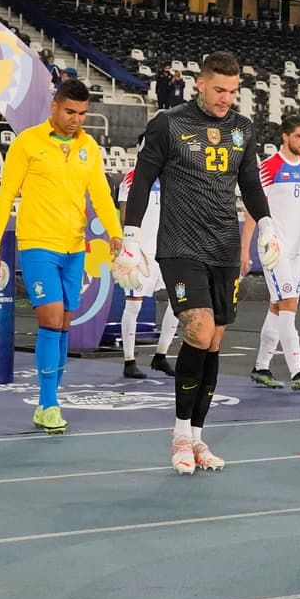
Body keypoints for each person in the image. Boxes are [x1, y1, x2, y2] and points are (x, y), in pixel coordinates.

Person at [114, 51, 280, 474]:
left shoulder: (242, 129)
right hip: (180, 246)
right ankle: (180, 435)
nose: (226, 98)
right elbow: (143, 179)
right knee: (199, 330)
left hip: (224, 248)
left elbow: (250, 183)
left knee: (213, 342)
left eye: (233, 91)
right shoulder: (168, 124)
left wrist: (266, 224)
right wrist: (130, 236)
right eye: (219, 89)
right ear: (200, 84)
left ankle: (200, 437)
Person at [0, 80, 123, 434]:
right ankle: (48, 403)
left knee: (63, 326)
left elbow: (101, 196)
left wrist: (116, 232)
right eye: (70, 112)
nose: (76, 119)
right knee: (50, 318)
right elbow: (5, 196)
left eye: (82, 114)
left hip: (75, 248)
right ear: (54, 107)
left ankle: (50, 398)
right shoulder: (27, 143)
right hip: (37, 244)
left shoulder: (89, 146)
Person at [241, 114, 300, 391]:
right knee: (289, 305)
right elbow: (254, 208)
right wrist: (245, 248)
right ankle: (297, 371)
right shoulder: (270, 167)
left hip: (299, 252)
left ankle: (261, 366)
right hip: (274, 248)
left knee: (277, 307)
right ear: (285, 137)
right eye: (299, 136)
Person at [116, 156, 178, 379]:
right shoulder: (132, 178)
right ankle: (129, 360)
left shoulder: (173, 177)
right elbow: (125, 216)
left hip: (168, 251)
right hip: (141, 252)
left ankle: (161, 355)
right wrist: (131, 248)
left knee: (179, 302)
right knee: (133, 306)